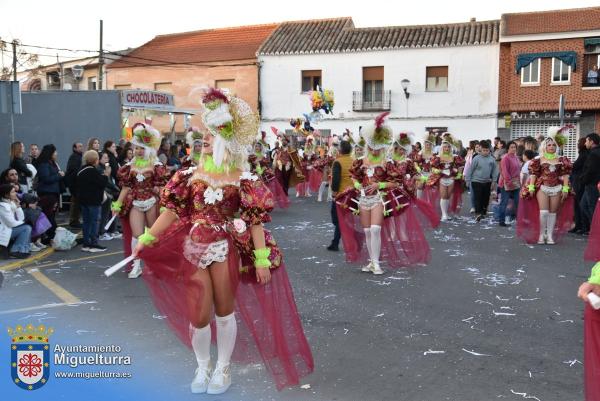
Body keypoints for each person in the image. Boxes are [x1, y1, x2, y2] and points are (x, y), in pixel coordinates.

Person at [131, 88, 313, 394]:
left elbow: (254, 220)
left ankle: (223, 368)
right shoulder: (188, 176)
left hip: (225, 247)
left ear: (226, 140)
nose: (205, 139)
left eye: (212, 134)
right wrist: (146, 239)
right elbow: (171, 212)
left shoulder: (243, 179)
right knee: (199, 314)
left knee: (224, 311)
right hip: (194, 248)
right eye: (205, 134)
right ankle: (202, 366)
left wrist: (262, 259)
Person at [336, 113, 431, 274]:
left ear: (382, 146)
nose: (374, 150)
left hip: (379, 198)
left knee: (375, 230)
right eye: (371, 147)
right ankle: (371, 262)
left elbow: (396, 182)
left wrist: (379, 184)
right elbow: (354, 175)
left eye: (377, 147)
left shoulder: (387, 162)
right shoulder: (360, 160)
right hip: (363, 199)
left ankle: (377, 263)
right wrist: (358, 184)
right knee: (367, 231)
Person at [112, 124, 167, 278]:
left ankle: (156, 265)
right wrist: (117, 204)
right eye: (136, 148)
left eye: (142, 148)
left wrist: (164, 205)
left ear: (148, 149)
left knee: (152, 234)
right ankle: (136, 266)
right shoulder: (129, 167)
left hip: (151, 202)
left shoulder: (156, 166)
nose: (138, 151)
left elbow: (162, 186)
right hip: (136, 203)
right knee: (136, 236)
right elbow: (126, 188)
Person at [517, 127, 573, 245]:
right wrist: (531, 187)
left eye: (553, 145)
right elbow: (533, 174)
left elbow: (566, 175)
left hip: (557, 188)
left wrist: (565, 188)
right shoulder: (538, 159)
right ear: (545, 147)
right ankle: (542, 234)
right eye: (549, 145)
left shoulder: (562, 160)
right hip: (542, 187)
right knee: (544, 212)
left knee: (553, 212)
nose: (551, 147)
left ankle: (550, 235)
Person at [76, 150, 109, 252]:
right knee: (94, 222)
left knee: (86, 222)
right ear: (95, 160)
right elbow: (102, 183)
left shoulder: (81, 170)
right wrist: (106, 175)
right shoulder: (92, 171)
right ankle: (94, 243)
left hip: (83, 200)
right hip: (93, 201)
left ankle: (86, 243)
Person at [427, 134, 465, 221]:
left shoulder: (455, 157)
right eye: (445, 147)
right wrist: (439, 171)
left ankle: (446, 214)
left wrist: (458, 174)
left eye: (448, 147)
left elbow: (460, 166)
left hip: (451, 178)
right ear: (442, 148)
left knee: (448, 196)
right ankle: (444, 214)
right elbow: (432, 168)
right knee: (443, 196)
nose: (447, 149)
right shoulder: (438, 157)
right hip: (442, 179)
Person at [36, 145, 65, 241]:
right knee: (48, 215)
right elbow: (46, 179)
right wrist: (59, 175)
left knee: (50, 215)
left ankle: (51, 235)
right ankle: (51, 235)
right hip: (47, 193)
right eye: (55, 152)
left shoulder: (51, 163)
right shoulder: (44, 164)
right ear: (50, 153)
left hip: (52, 193)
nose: (56, 154)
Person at [328, 140, 353, 251]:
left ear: (340, 150)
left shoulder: (338, 162)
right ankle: (336, 242)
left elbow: (336, 180)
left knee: (337, 219)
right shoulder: (354, 161)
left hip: (341, 195)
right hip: (353, 193)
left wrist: (334, 194)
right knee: (346, 219)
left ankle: (336, 243)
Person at [464, 141, 498, 222]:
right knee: (477, 197)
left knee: (485, 198)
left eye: (487, 150)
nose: (486, 152)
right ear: (480, 150)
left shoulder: (492, 159)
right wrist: (467, 180)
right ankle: (478, 213)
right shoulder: (476, 158)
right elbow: (470, 169)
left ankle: (483, 211)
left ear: (489, 150)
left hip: (487, 181)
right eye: (484, 150)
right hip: (476, 181)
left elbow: (494, 171)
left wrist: (494, 181)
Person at [0, 184, 31, 259]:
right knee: (26, 228)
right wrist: (24, 223)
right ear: (7, 195)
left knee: (27, 227)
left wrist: (18, 206)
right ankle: (16, 250)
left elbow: (21, 218)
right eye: (13, 192)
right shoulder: (3, 206)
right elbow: (11, 223)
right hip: (3, 231)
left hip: (7, 229)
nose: (15, 194)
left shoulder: (10, 203)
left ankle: (21, 250)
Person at [580, 133, 600, 236]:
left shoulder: (593, 154)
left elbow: (590, 170)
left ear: (591, 142)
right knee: (584, 206)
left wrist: (583, 180)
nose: (585, 143)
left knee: (591, 207)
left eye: (587, 141)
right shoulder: (594, 152)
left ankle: (596, 231)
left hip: (591, 184)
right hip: (592, 184)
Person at [498, 141, 521, 226]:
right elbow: (505, 171)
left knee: (518, 201)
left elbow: (518, 170)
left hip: (516, 182)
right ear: (508, 148)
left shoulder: (516, 157)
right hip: (506, 182)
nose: (513, 149)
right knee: (504, 202)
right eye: (511, 147)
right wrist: (509, 182)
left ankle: (519, 220)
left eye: (514, 147)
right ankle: (501, 221)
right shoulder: (505, 158)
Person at [570, 137, 590, 234]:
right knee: (577, 204)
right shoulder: (584, 154)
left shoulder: (584, 154)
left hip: (578, 182)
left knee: (579, 204)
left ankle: (582, 225)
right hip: (578, 181)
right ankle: (579, 225)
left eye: (578, 142)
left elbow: (576, 167)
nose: (577, 143)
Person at [65, 142, 84, 228]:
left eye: (82, 146)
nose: (81, 148)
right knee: (75, 203)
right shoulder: (74, 157)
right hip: (75, 184)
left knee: (77, 202)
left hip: (76, 184)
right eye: (79, 146)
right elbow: (74, 171)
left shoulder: (78, 157)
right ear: (74, 148)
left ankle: (75, 220)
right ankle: (74, 220)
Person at [463, 140, 480, 213]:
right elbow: (467, 165)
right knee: (473, 192)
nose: (478, 148)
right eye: (476, 147)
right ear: (474, 148)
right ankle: (473, 207)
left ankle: (480, 206)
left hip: (482, 177)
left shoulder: (485, 155)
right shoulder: (471, 155)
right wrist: (464, 174)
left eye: (479, 147)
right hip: (472, 176)